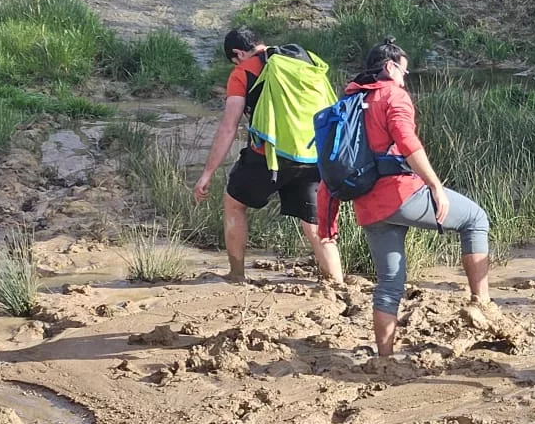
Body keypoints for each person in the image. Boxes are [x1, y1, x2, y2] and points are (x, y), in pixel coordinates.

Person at [317, 41, 497, 358]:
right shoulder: (393, 95)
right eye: (404, 69)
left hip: (367, 206)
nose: (406, 76)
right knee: (475, 219)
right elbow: (407, 140)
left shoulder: (350, 100)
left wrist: (327, 224)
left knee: (389, 283)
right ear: (389, 67)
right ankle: (480, 303)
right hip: (401, 194)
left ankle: (385, 356)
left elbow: (329, 166)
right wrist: (435, 185)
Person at [192, 28, 343, 287]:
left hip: (269, 156)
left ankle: (237, 274)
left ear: (238, 54)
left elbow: (229, 126)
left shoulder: (243, 71)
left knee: (234, 203)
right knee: (315, 223)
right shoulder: (302, 60)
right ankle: (337, 281)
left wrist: (207, 174)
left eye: (234, 59)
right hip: (311, 154)